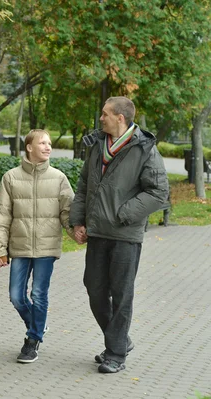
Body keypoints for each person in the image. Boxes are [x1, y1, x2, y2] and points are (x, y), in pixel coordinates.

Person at [69, 96, 169, 373]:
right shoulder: (97, 144)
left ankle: (116, 354)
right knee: (94, 289)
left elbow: (159, 192)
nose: (101, 118)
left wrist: (123, 214)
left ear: (120, 118)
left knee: (121, 294)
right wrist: (77, 221)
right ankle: (121, 340)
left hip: (126, 235)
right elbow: (83, 185)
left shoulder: (144, 148)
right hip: (97, 233)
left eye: (105, 114)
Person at [0, 129, 75, 364]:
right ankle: (38, 324)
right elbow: (0, 216)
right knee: (16, 296)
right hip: (20, 247)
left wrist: (77, 231)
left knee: (39, 294)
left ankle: (33, 340)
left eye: (49, 143)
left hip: (47, 248)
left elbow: (69, 212)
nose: (48, 147)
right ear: (29, 147)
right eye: (42, 143)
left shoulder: (59, 178)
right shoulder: (11, 178)